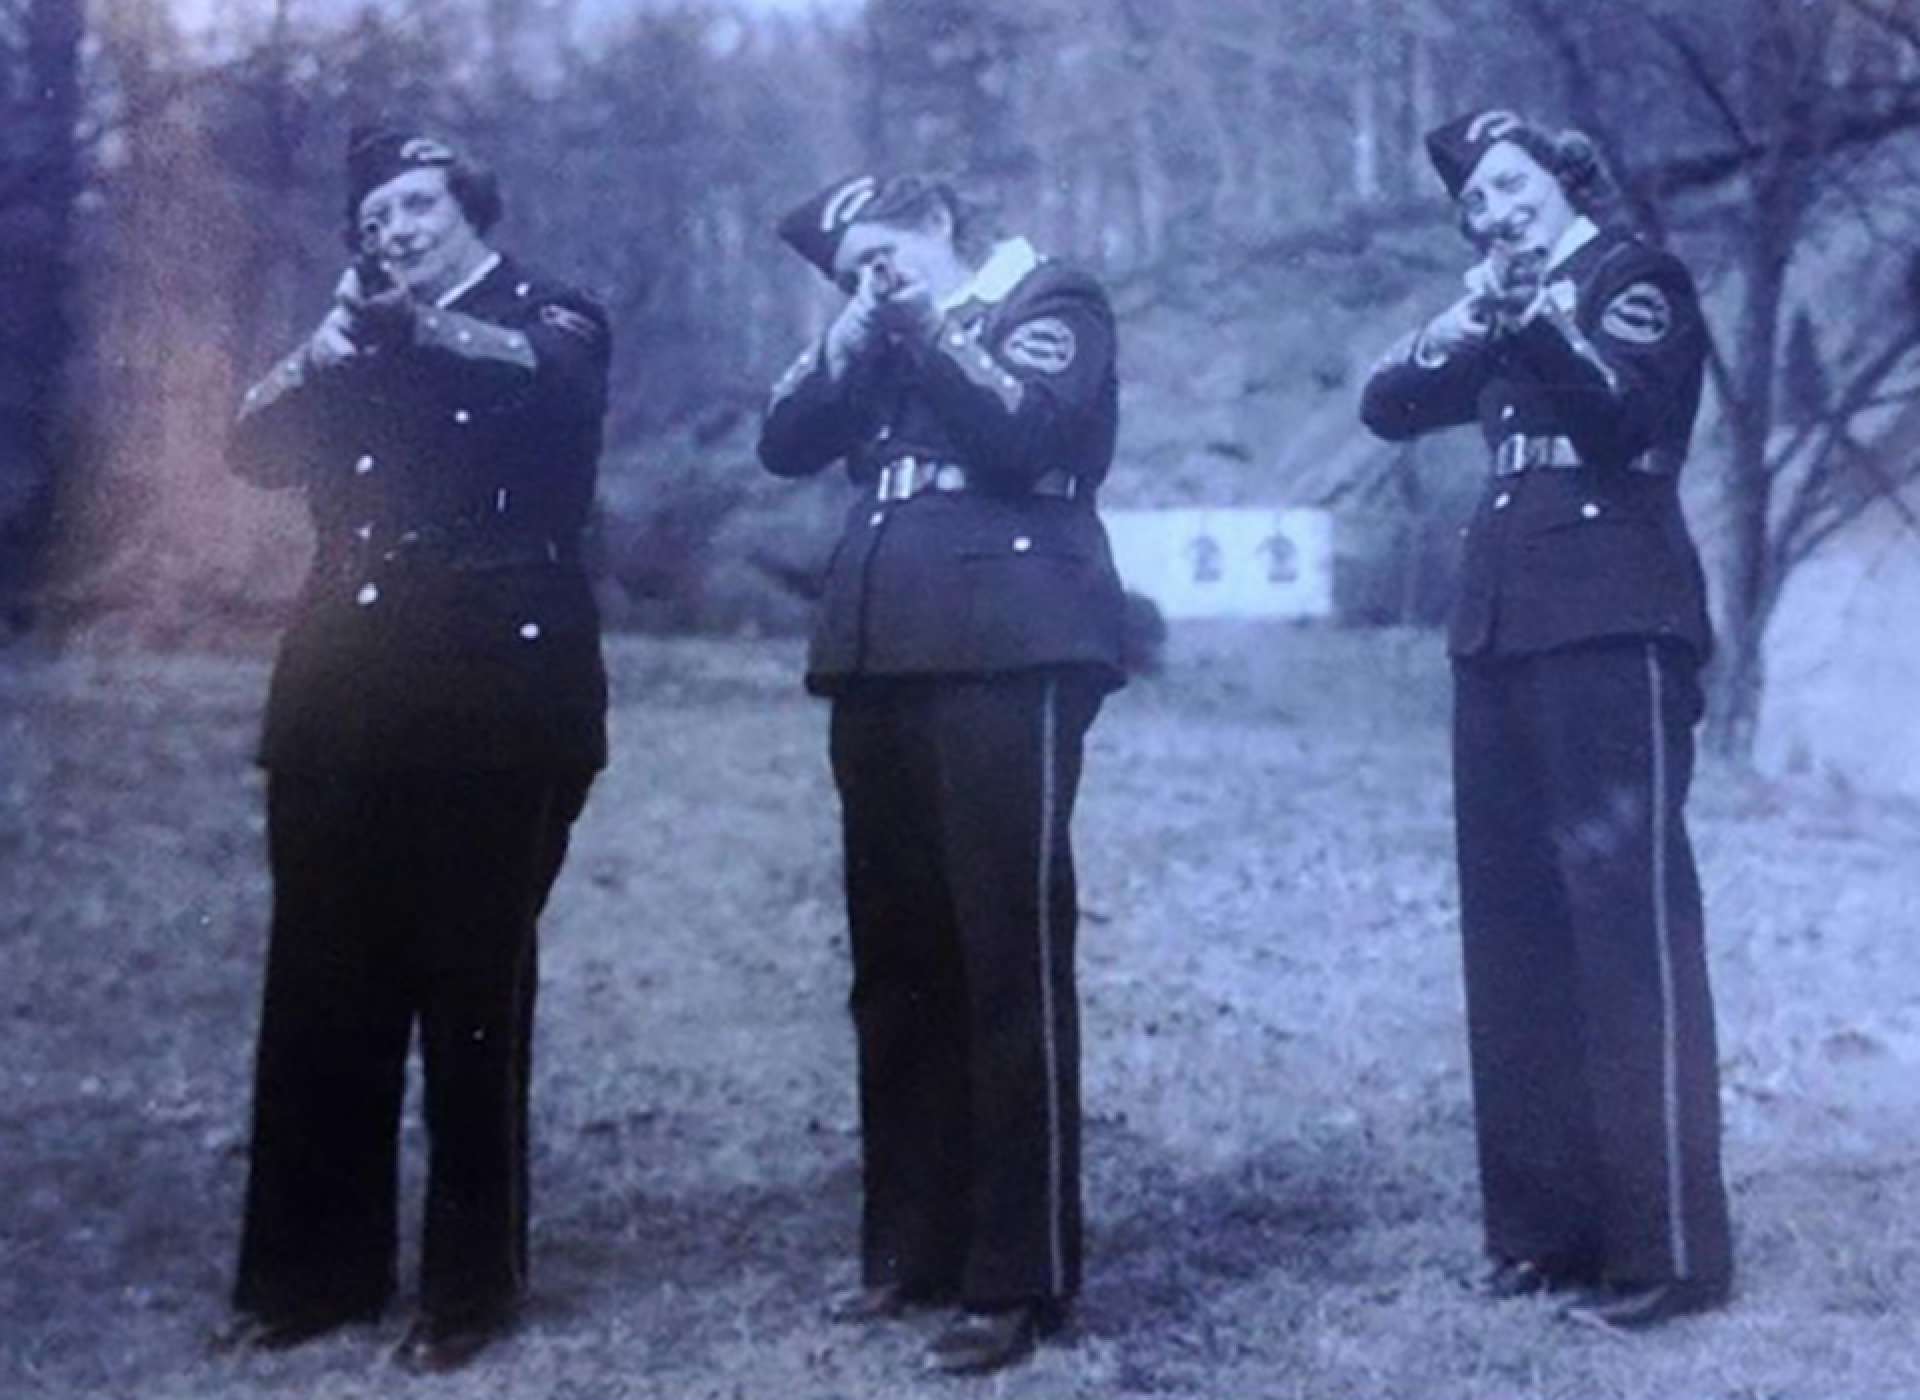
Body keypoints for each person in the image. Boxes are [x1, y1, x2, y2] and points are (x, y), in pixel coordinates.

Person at [219, 124, 611, 1373]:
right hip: (341, 685)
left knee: (470, 989)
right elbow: (250, 450)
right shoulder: (353, 333)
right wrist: (323, 346)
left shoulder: (552, 310)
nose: (396, 229)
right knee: (321, 983)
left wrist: (413, 326)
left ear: (472, 209)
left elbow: (551, 382)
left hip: (496, 683)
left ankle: (469, 1287)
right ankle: (310, 1275)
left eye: (419, 204)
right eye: (376, 214)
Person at [1360, 109, 1732, 1330]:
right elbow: (1384, 405)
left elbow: (1627, 416)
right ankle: (1544, 1228)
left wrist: (1527, 316)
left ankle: (1669, 1248)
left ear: (1567, 181)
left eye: (1511, 185)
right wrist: (1464, 320)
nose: (1493, 212)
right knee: (1514, 934)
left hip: (1613, 618)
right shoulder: (1501, 299)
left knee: (1625, 930)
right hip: (1504, 626)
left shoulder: (1634, 278)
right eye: (1475, 203)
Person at [758, 172, 1126, 1375]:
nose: (873, 272)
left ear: (939, 230)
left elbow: (1031, 434)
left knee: (1002, 953)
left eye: (886, 250)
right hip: (883, 648)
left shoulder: (1046, 296)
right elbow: (784, 442)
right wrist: (857, 335)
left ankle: (1020, 1273)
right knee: (897, 958)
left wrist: (924, 325)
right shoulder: (880, 330)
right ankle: (911, 1245)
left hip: (1010, 639)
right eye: (853, 261)